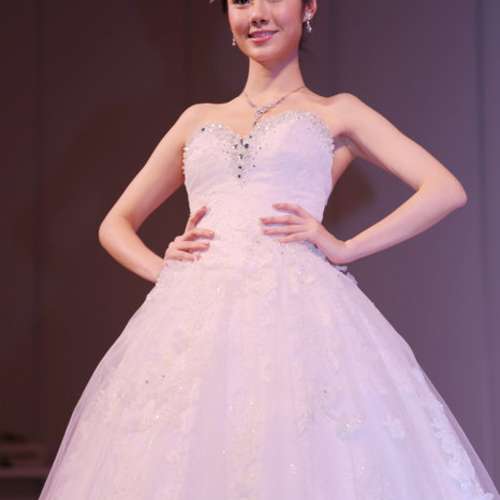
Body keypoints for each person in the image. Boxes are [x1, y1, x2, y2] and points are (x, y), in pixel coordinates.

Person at [39, 0, 500, 498]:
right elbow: (116, 223)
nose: (256, 13)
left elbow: (443, 189)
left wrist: (345, 247)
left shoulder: (336, 112)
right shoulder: (198, 119)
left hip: (298, 313)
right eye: (240, 1)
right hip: (193, 321)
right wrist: (165, 269)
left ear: (308, 7)